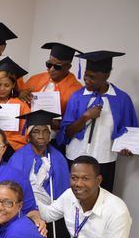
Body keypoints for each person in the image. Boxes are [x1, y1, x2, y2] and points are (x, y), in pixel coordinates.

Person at [59, 51, 137, 193]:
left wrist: (127, 147)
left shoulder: (122, 99)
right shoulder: (77, 97)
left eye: (92, 77)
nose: (86, 79)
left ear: (106, 76)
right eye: (86, 75)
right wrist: (85, 117)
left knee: (102, 202)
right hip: (76, 159)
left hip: (104, 161)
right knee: (73, 200)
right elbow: (67, 133)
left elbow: (129, 132)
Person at [9, 110, 71, 238]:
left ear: (50, 135)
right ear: (29, 136)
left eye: (45, 131)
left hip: (52, 208)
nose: (41, 135)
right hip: (27, 209)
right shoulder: (18, 158)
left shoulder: (58, 158)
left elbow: (64, 190)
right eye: (36, 131)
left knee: (58, 237)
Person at [19, 42, 82, 122]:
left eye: (57, 66)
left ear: (68, 67)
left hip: (56, 132)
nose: (51, 69)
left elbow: (74, 120)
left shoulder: (76, 90)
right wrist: (20, 95)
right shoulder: (35, 79)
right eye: (49, 64)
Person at [0, 56, 31, 156]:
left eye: (6, 85)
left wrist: (8, 141)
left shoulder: (21, 106)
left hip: (13, 150)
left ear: (13, 85)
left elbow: (26, 132)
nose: (2, 89)